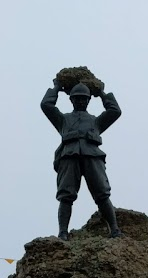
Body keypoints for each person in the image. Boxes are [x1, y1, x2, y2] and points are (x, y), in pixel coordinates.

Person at [41, 79, 123, 240]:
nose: (80, 101)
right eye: (77, 98)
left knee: (102, 194)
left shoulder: (96, 121)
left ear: (88, 100)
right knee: (66, 195)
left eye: (84, 98)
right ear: (71, 100)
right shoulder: (63, 120)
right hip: (69, 156)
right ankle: (63, 231)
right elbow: (46, 106)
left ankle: (114, 229)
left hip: (92, 156)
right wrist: (57, 87)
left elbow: (115, 111)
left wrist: (101, 94)